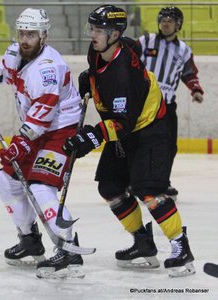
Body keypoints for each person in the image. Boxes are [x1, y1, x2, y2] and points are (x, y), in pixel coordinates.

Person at [63, 5, 195, 277]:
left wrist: (92, 135)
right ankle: (142, 243)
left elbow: (123, 123)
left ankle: (181, 248)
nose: (93, 35)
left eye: (99, 30)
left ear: (114, 33)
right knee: (110, 187)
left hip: (149, 128)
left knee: (149, 190)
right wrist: (91, 78)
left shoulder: (124, 74)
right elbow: (129, 49)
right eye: (92, 28)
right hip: (124, 127)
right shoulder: (102, 49)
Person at [0, 8, 85, 279]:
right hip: (38, 129)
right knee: (5, 182)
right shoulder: (18, 51)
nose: (25, 39)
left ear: (44, 36)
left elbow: (45, 109)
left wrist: (21, 142)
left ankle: (70, 249)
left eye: (32, 34)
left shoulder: (49, 68)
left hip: (59, 131)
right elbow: (5, 71)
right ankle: (30, 239)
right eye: (22, 33)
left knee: (40, 187)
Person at [136, 6, 204, 199]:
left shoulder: (183, 50)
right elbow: (126, 59)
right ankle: (134, 181)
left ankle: (161, 182)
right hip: (142, 103)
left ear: (178, 25)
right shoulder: (145, 41)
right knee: (138, 143)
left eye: (170, 20)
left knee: (168, 146)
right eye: (163, 20)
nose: (165, 23)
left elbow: (189, 73)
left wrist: (196, 89)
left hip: (166, 105)